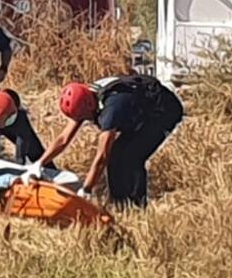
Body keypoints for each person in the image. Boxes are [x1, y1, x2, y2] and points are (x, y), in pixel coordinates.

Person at [30, 75, 184, 207]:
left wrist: (86, 190)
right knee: (117, 155)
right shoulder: (87, 96)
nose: (84, 121)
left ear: (90, 106)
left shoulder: (111, 110)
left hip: (163, 112)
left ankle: (138, 206)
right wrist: (39, 164)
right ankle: (119, 204)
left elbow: (101, 156)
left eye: (84, 117)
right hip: (137, 111)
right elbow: (63, 139)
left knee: (132, 156)